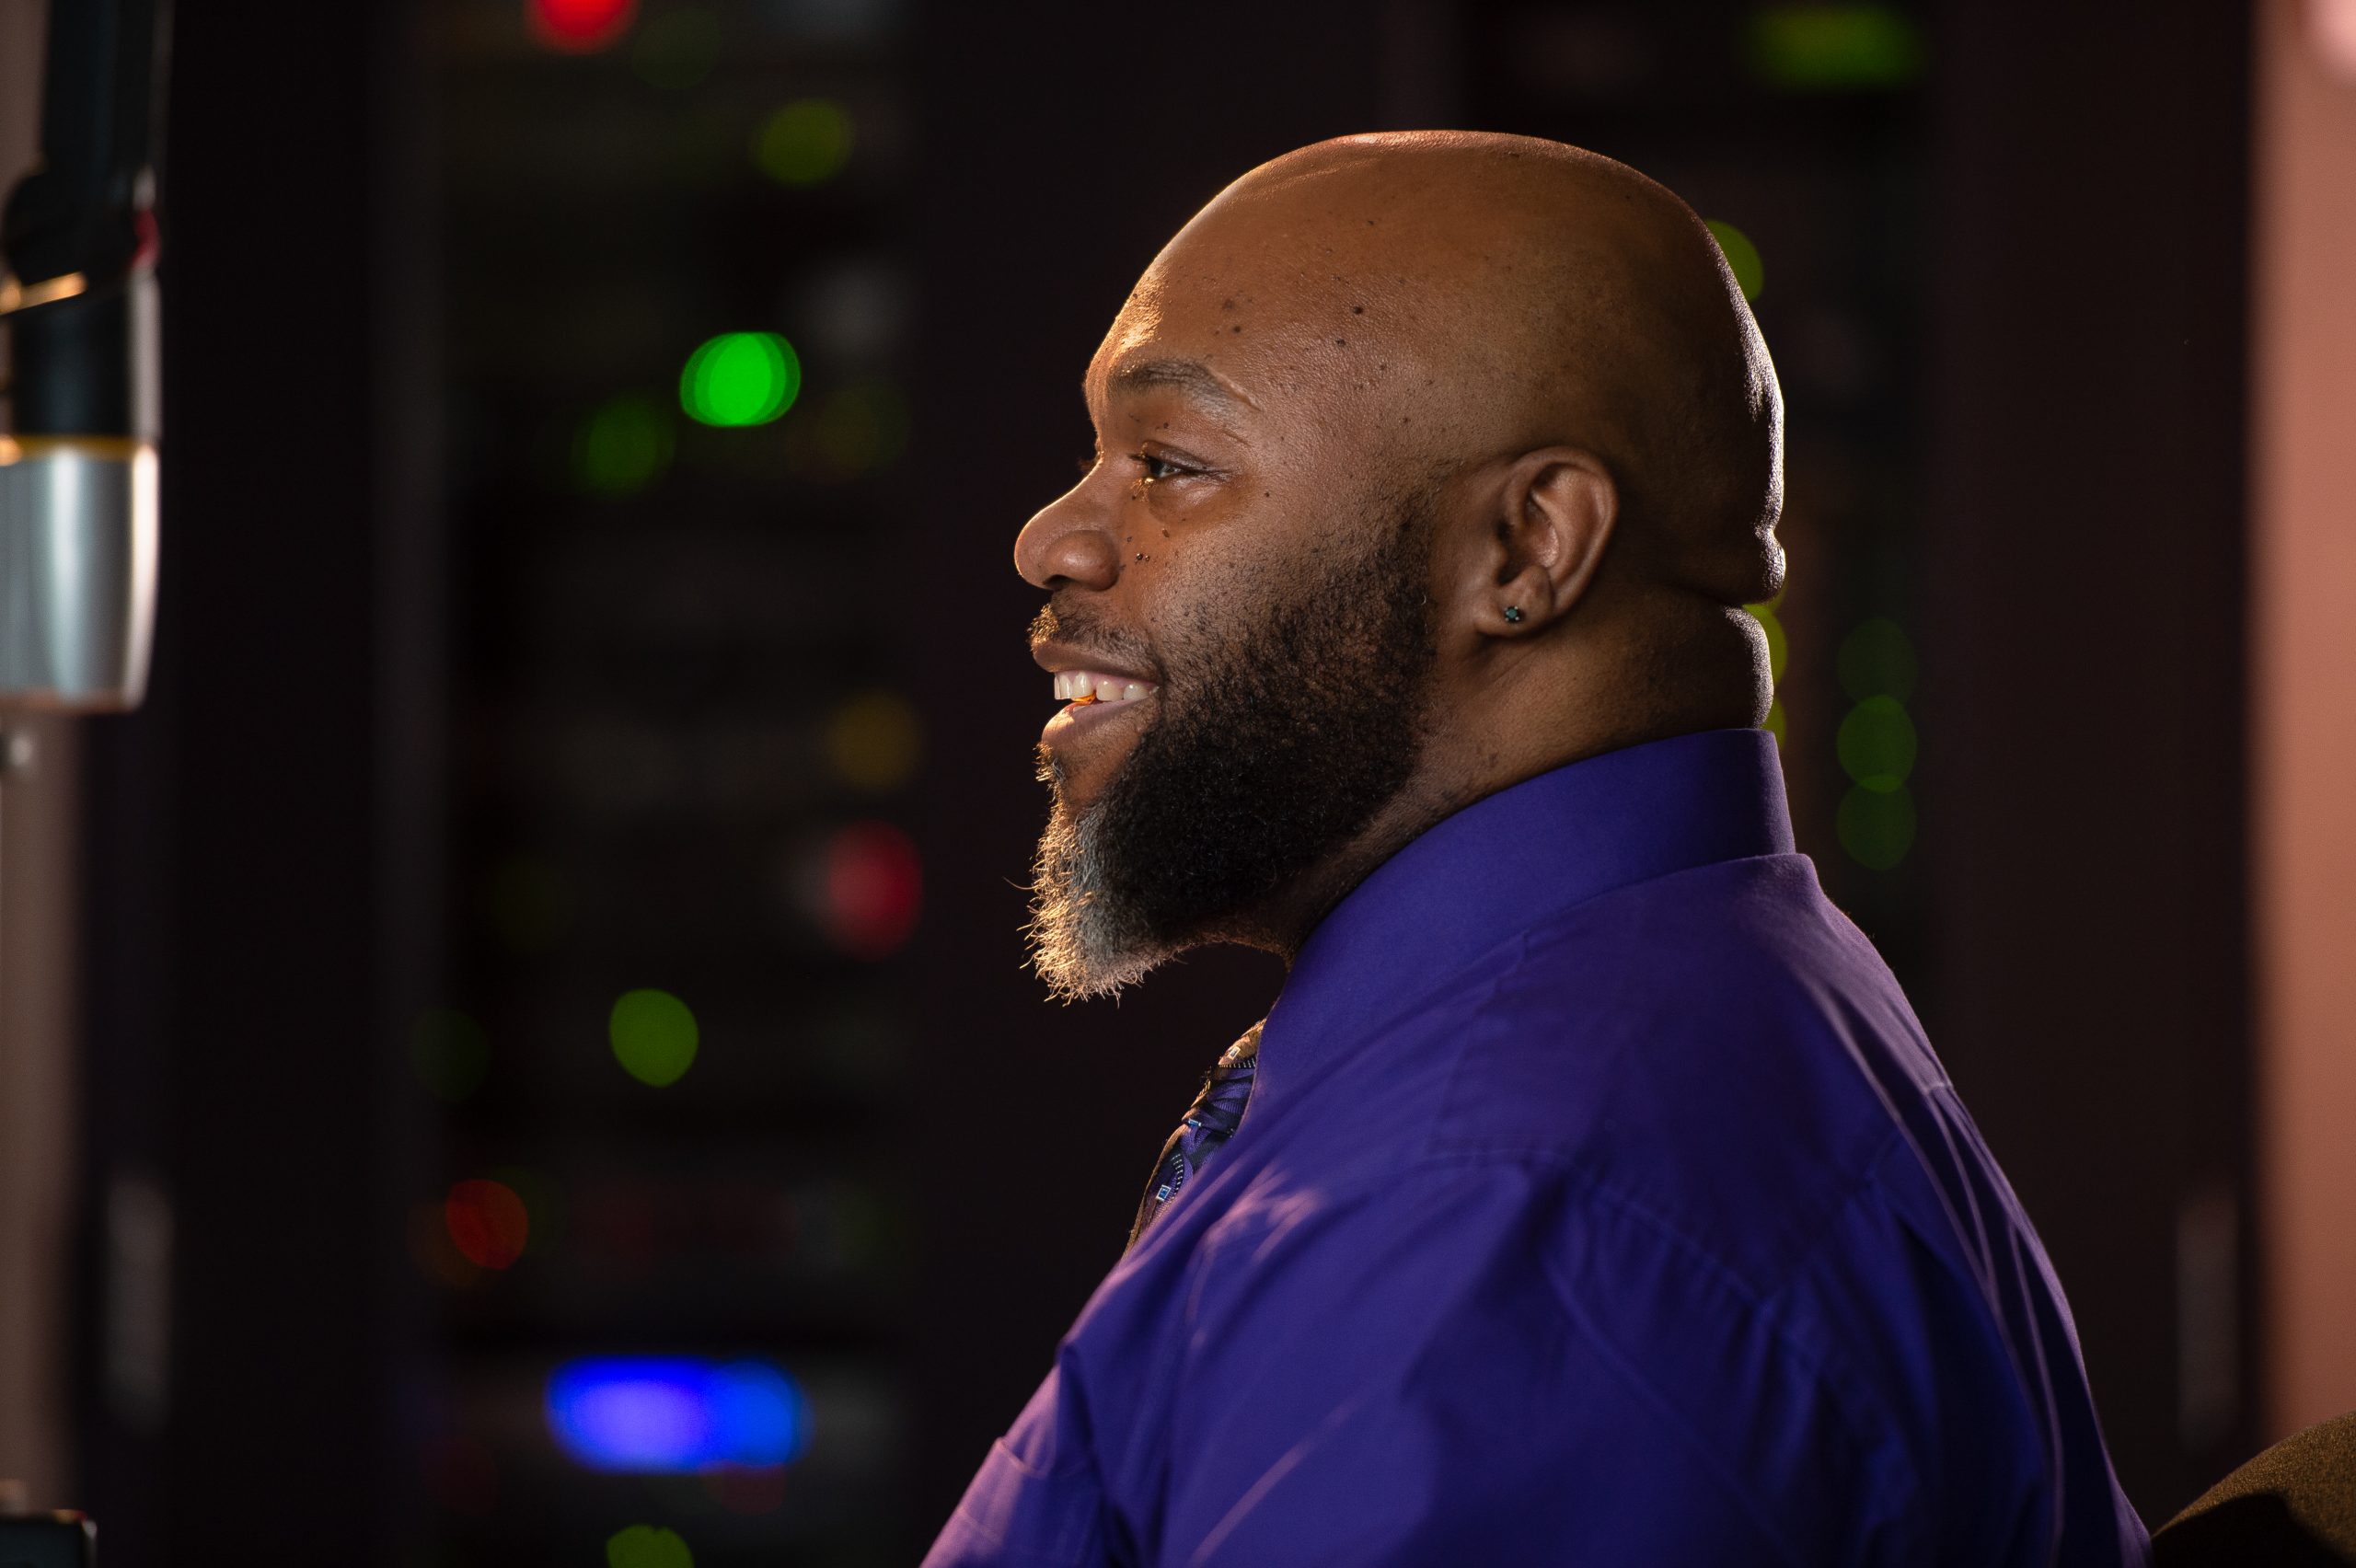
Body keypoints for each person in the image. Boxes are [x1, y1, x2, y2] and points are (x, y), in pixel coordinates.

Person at [923, 131, 2150, 1567]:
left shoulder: (1495, 1234)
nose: (1050, 539)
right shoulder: (1693, 987)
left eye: (1170, 464)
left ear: (1524, 550)